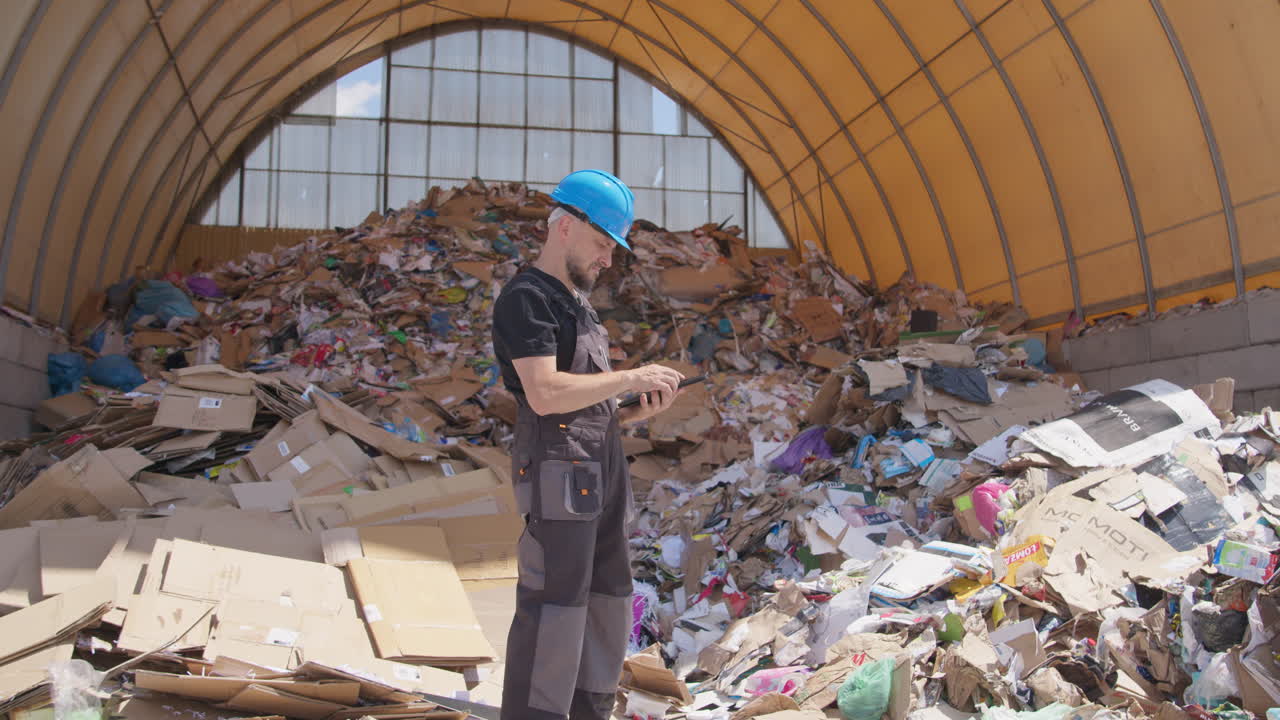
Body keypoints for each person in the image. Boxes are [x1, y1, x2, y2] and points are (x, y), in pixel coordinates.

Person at [491, 169, 685, 720]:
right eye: (603, 244)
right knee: (554, 610)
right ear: (567, 228)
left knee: (605, 604)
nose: (608, 259)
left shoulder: (578, 304)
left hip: (598, 475)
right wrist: (630, 376)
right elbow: (547, 393)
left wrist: (633, 406)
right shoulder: (528, 299)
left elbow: (584, 401)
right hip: (557, 479)